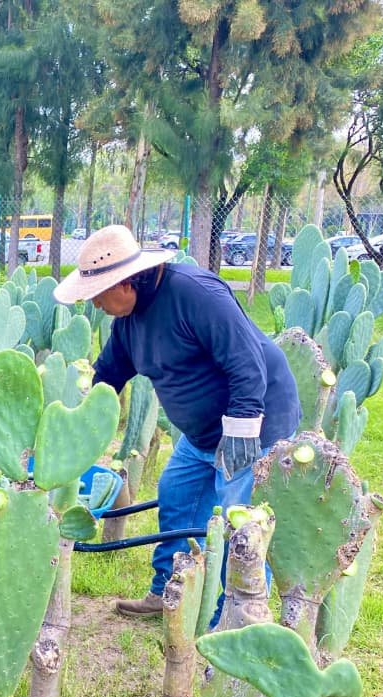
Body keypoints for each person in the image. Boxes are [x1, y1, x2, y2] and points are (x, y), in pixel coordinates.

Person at [53, 224, 300, 618]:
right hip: (200, 434)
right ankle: (170, 594)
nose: (93, 305)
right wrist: (77, 423)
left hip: (252, 421)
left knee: (239, 525)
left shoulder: (196, 294)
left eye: (97, 294)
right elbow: (109, 375)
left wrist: (241, 430)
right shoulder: (128, 323)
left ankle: (236, 618)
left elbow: (246, 360)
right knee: (177, 495)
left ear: (126, 283)